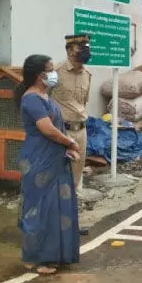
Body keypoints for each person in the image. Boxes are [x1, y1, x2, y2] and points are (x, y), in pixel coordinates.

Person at [14, 54, 81, 276]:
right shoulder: (31, 99)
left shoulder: (46, 96)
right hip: (39, 159)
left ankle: (57, 254)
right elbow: (47, 129)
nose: (54, 74)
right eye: (50, 70)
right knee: (40, 206)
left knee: (57, 206)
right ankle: (35, 258)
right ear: (39, 75)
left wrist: (67, 149)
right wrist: (70, 142)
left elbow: (56, 128)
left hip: (55, 158)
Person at [51, 34, 92, 196]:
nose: (85, 51)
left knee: (75, 176)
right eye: (80, 47)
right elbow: (41, 98)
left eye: (87, 47)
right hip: (61, 130)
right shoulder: (55, 72)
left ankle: (70, 206)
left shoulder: (87, 74)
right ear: (69, 51)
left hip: (81, 131)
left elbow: (83, 104)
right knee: (57, 174)